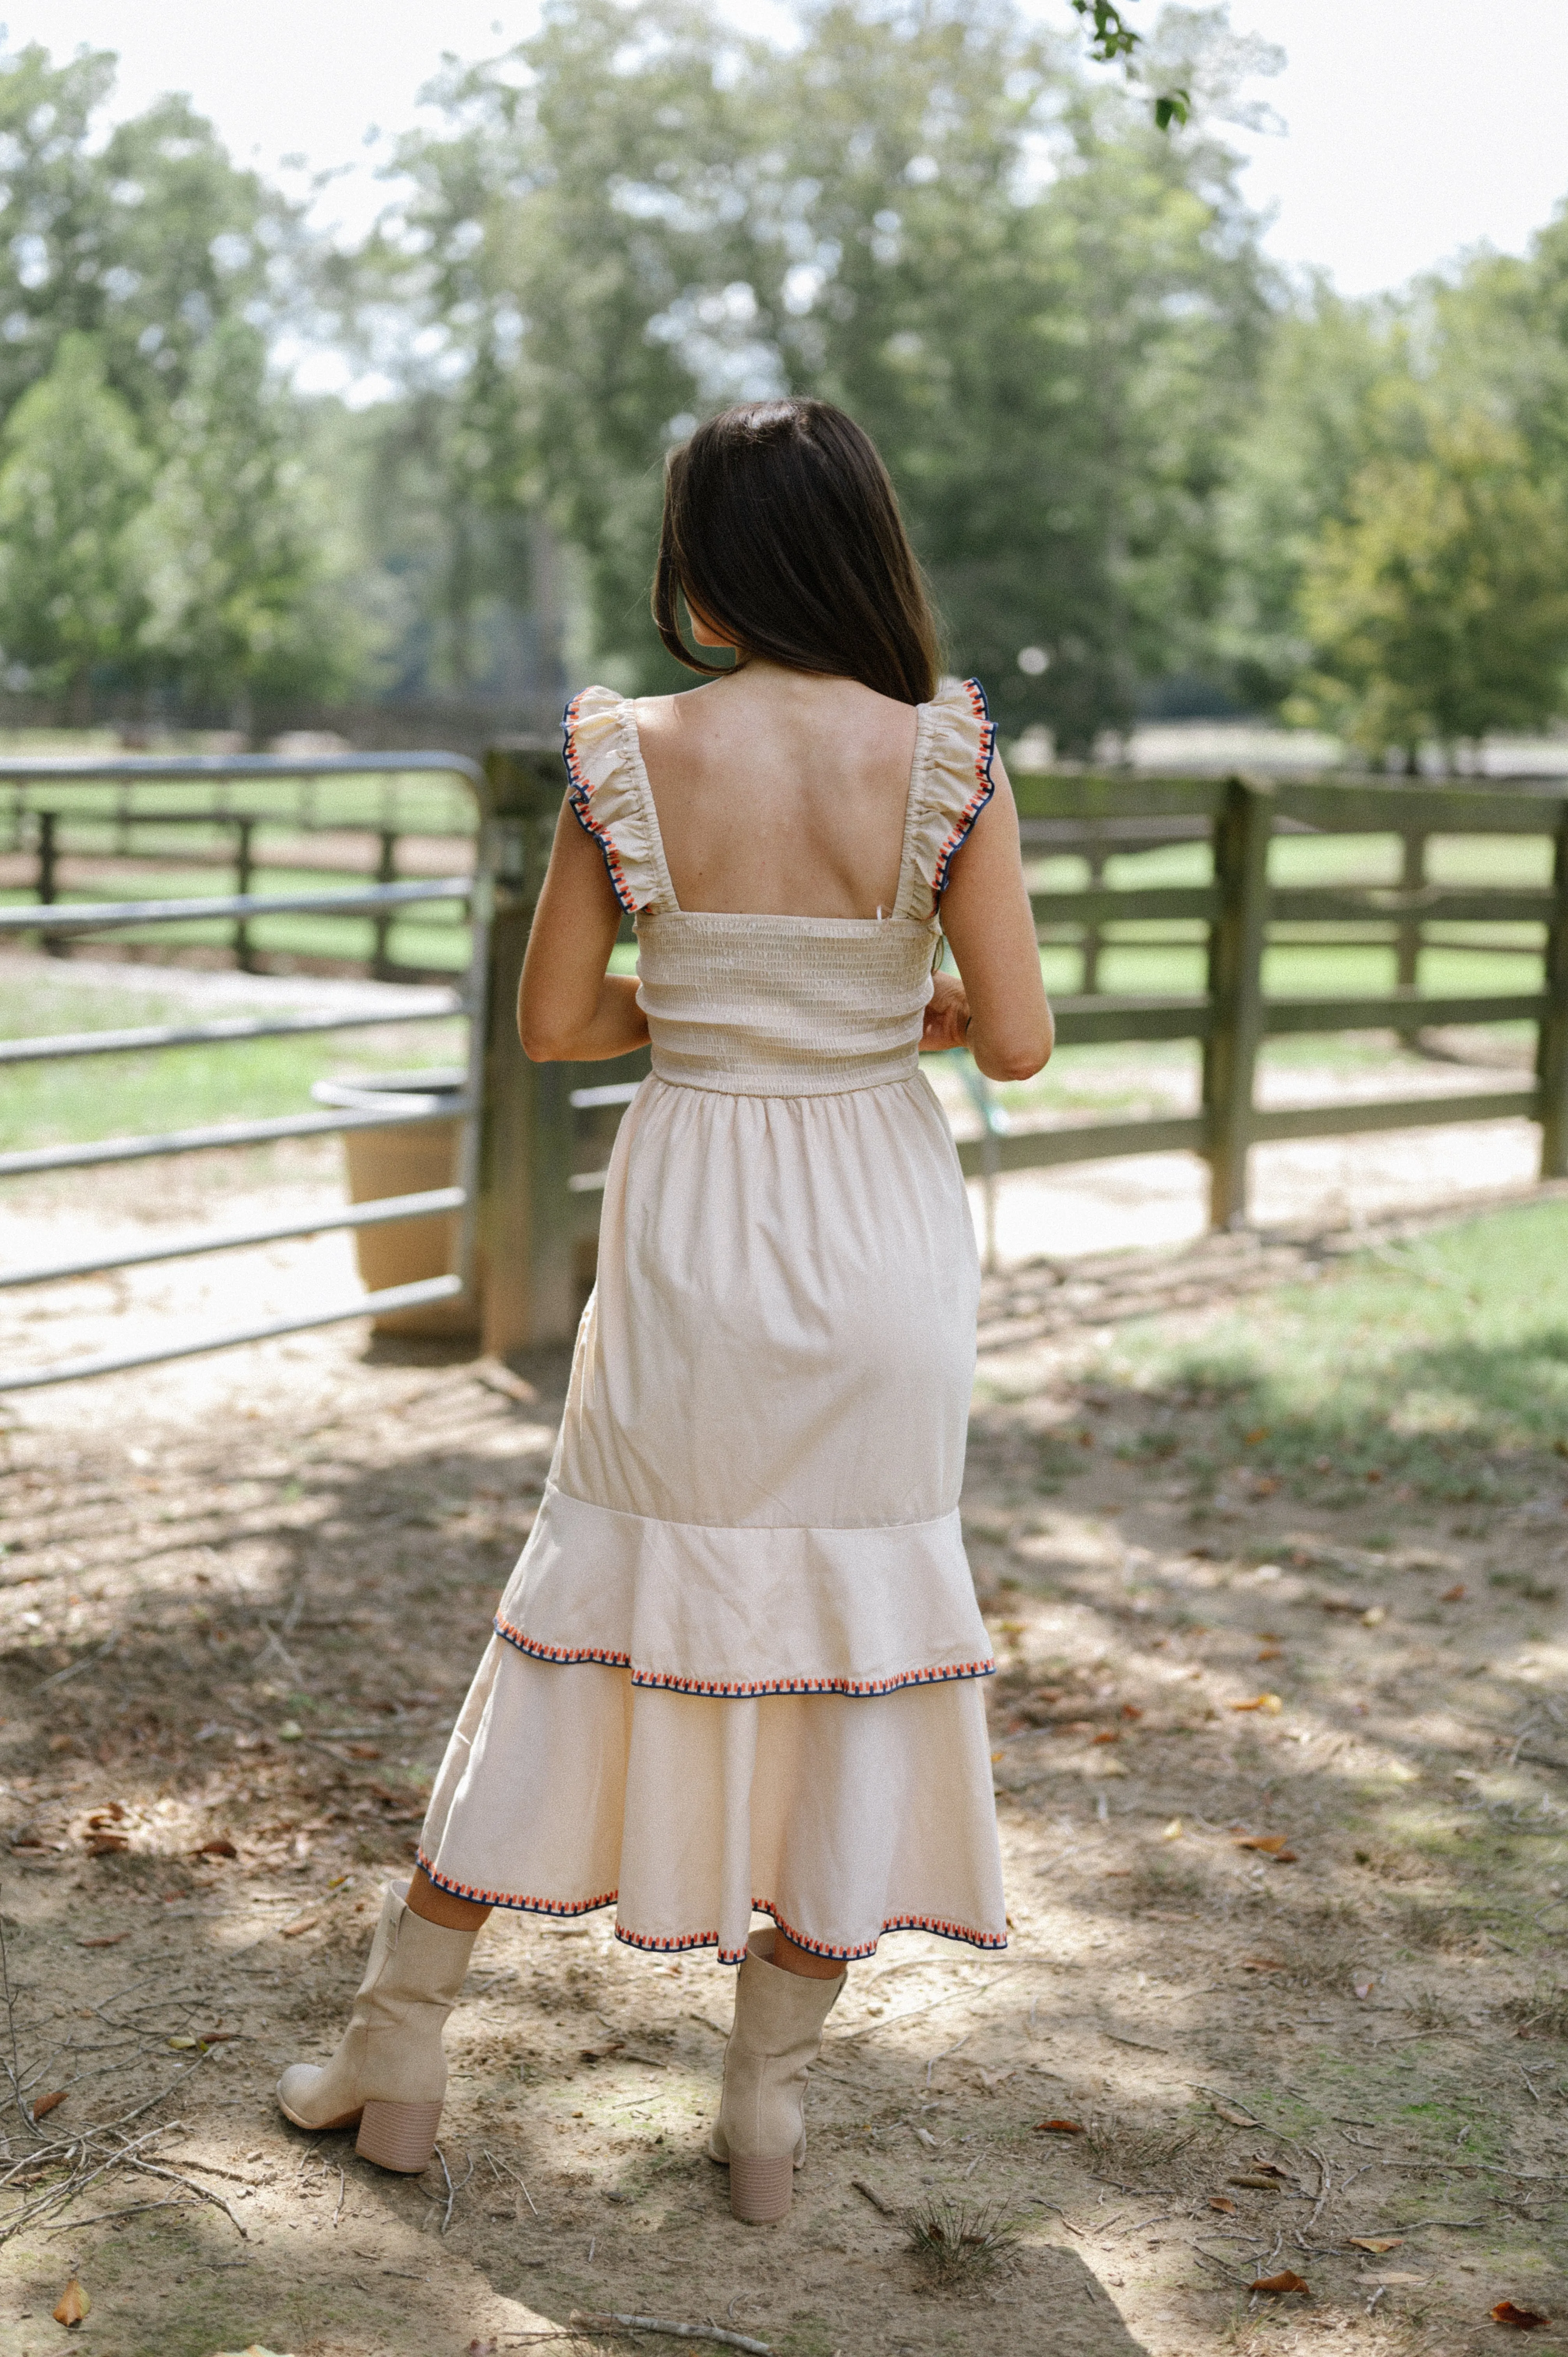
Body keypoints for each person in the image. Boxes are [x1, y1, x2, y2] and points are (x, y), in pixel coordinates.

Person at [277, 397, 1054, 2221]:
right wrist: (888, 1006)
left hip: (698, 1217)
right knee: (856, 1634)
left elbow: (558, 1022)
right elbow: (1014, 1034)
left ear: (706, 565)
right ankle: (766, 2116)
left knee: (588, 1610)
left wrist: (710, 1000)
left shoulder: (630, 756)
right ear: (862, 549)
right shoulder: (948, 755)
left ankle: (398, 2043)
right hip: (875, 1231)